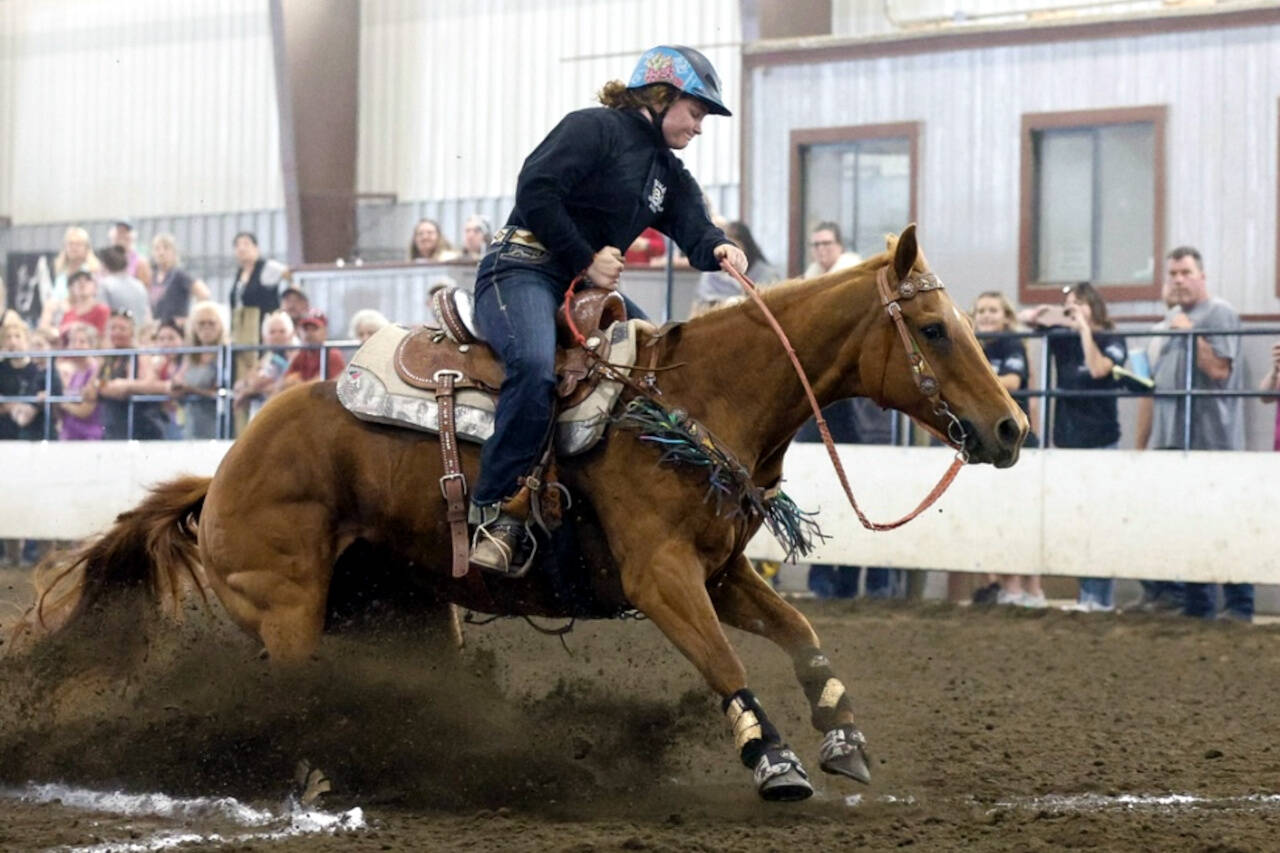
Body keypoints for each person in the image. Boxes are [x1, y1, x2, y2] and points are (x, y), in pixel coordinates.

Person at [466, 44, 745, 574]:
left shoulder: (667, 172)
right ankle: (495, 509)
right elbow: (536, 189)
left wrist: (719, 248)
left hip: (581, 287)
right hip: (521, 268)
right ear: (661, 98)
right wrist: (585, 259)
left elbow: (693, 226)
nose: (700, 127)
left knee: (659, 364)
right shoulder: (592, 128)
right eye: (696, 111)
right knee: (530, 366)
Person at [1136, 246, 1249, 620]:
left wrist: (1192, 333)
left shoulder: (1219, 313)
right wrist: (1143, 444)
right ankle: (1196, 605)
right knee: (1185, 524)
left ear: (1202, 276)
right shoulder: (1168, 321)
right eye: (1173, 274)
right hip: (1171, 440)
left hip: (1211, 439)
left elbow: (1220, 370)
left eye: (1186, 272)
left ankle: (1239, 605)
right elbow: (1152, 386)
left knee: (1224, 522)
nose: (1179, 280)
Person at [1022, 283, 1126, 611]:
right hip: (1067, 441)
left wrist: (1083, 330)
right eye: (1067, 304)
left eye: (1078, 303)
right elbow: (1026, 318)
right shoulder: (1061, 336)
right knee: (1077, 523)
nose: (1071, 309)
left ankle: (1099, 598)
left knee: (1099, 523)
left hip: (1100, 441)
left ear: (1094, 307)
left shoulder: (1112, 339)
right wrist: (1054, 316)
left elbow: (1098, 369)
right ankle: (1087, 596)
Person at [966, 291, 1044, 607]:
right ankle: (1007, 586)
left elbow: (1012, 381)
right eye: (981, 310)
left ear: (1005, 316)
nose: (986, 316)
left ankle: (1027, 589)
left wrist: (973, 379)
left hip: (1014, 440)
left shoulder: (1012, 344)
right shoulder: (971, 347)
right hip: (988, 443)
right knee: (994, 516)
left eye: (993, 310)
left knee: (1019, 516)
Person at [96, 310, 167, 440]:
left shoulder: (139, 356)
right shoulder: (107, 359)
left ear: (132, 332)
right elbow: (94, 385)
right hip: (114, 426)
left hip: (140, 424)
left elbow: (150, 383)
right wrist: (107, 387)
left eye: (122, 329)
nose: (117, 332)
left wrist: (127, 386)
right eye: (113, 328)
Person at [691, 221, 781, 315]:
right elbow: (699, 307)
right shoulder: (711, 273)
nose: (728, 254)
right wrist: (725, 304)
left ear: (746, 247)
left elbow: (773, 306)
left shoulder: (766, 274)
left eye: (734, 246)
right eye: (725, 248)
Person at [172, 301, 226, 439]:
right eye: (201, 323)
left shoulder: (225, 355)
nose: (206, 328)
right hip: (191, 424)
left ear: (220, 326)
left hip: (215, 424)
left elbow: (220, 392)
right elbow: (177, 381)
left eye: (211, 323)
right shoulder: (189, 356)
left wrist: (190, 389)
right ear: (194, 327)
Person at [233, 310, 295, 419]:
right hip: (261, 416)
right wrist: (247, 387)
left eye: (282, 331)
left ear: (291, 335)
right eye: (272, 332)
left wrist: (249, 391)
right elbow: (248, 382)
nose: (277, 336)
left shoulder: (297, 358)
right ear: (265, 337)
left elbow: (286, 384)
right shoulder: (265, 359)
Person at [228, 231, 290, 340]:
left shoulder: (268, 267)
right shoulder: (240, 273)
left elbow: (291, 275)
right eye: (237, 245)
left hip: (265, 331)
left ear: (256, 248)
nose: (241, 248)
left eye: (246, 244)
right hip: (242, 331)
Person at [38, 226, 100, 331]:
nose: (74, 247)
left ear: (86, 248)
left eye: (78, 244)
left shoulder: (92, 271)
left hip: (82, 314)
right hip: (59, 314)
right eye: (70, 244)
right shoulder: (60, 272)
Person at [57, 322, 104, 441]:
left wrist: (62, 403)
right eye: (72, 342)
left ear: (92, 345)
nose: (76, 346)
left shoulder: (95, 370)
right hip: (69, 435)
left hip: (89, 436)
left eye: (82, 342)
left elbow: (86, 410)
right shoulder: (75, 373)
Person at [150, 233, 210, 325]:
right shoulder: (152, 277)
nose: (161, 253)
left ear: (174, 252)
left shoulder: (179, 275)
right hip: (158, 329)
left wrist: (192, 320)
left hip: (176, 330)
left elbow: (203, 293)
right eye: (157, 249)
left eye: (166, 248)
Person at [281, 310, 345, 387]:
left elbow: (321, 386)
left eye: (314, 329)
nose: (309, 333)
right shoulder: (301, 355)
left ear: (325, 332)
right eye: (306, 329)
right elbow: (285, 382)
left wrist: (298, 384)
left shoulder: (332, 355)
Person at [97, 245, 152, 325]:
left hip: (118, 332)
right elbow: (147, 316)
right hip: (139, 332)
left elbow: (103, 316)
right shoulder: (139, 285)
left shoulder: (105, 285)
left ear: (104, 265)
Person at [57, 270, 109, 337]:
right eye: (78, 280)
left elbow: (103, 336)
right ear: (71, 288)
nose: (82, 283)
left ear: (95, 287)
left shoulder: (102, 310)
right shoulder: (68, 313)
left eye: (87, 280)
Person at [107, 220, 153, 289]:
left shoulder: (140, 262)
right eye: (119, 232)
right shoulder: (106, 261)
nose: (122, 236)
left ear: (131, 236)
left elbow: (145, 289)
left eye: (125, 232)